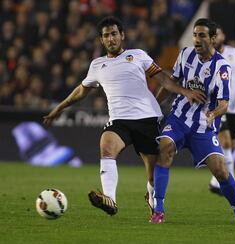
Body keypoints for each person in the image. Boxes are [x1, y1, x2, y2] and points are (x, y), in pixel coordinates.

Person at [43, 16, 206, 218]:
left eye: (113, 34)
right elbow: (81, 91)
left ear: (122, 35)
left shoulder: (138, 55)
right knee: (107, 146)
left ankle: (152, 196)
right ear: (101, 40)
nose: (110, 39)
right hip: (119, 120)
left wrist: (186, 92)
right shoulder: (97, 65)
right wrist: (59, 108)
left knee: (153, 175)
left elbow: (163, 78)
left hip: (147, 118)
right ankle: (110, 199)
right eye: (106, 36)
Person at [150, 18, 235, 224]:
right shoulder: (185, 54)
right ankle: (158, 210)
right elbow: (171, 82)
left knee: (221, 170)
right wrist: (154, 107)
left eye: (202, 35)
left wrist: (214, 114)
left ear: (213, 39)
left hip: (204, 126)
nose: (197, 39)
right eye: (195, 34)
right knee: (165, 149)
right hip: (178, 119)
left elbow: (224, 102)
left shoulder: (222, 66)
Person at [208, 24, 235, 195]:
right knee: (225, 142)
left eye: (218, 34)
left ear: (223, 36)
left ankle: (215, 181)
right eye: (213, 35)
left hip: (234, 108)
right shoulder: (208, 56)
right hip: (219, 106)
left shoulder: (234, 53)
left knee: (231, 146)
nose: (216, 37)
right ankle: (231, 186)